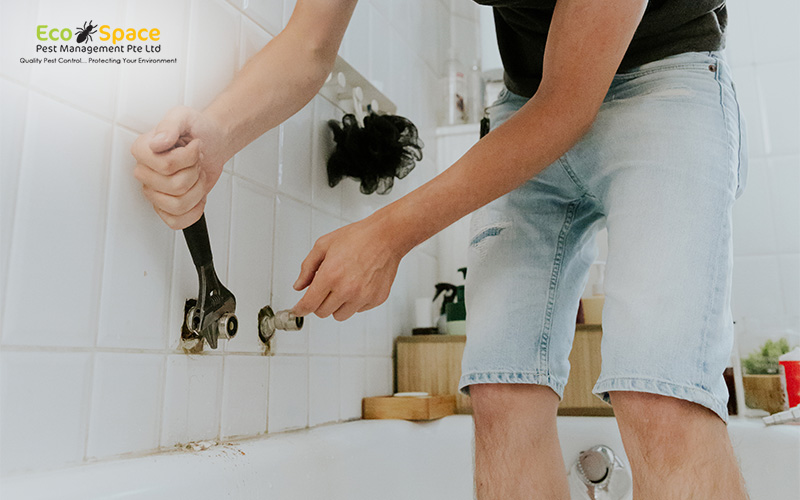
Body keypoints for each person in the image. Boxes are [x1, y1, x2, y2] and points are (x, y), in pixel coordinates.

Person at [131, 0, 750, 498]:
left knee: (658, 396)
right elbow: (308, 43)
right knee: (502, 392)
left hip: (665, 81)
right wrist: (217, 132)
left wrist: (388, 234)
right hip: (526, 100)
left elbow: (569, 102)